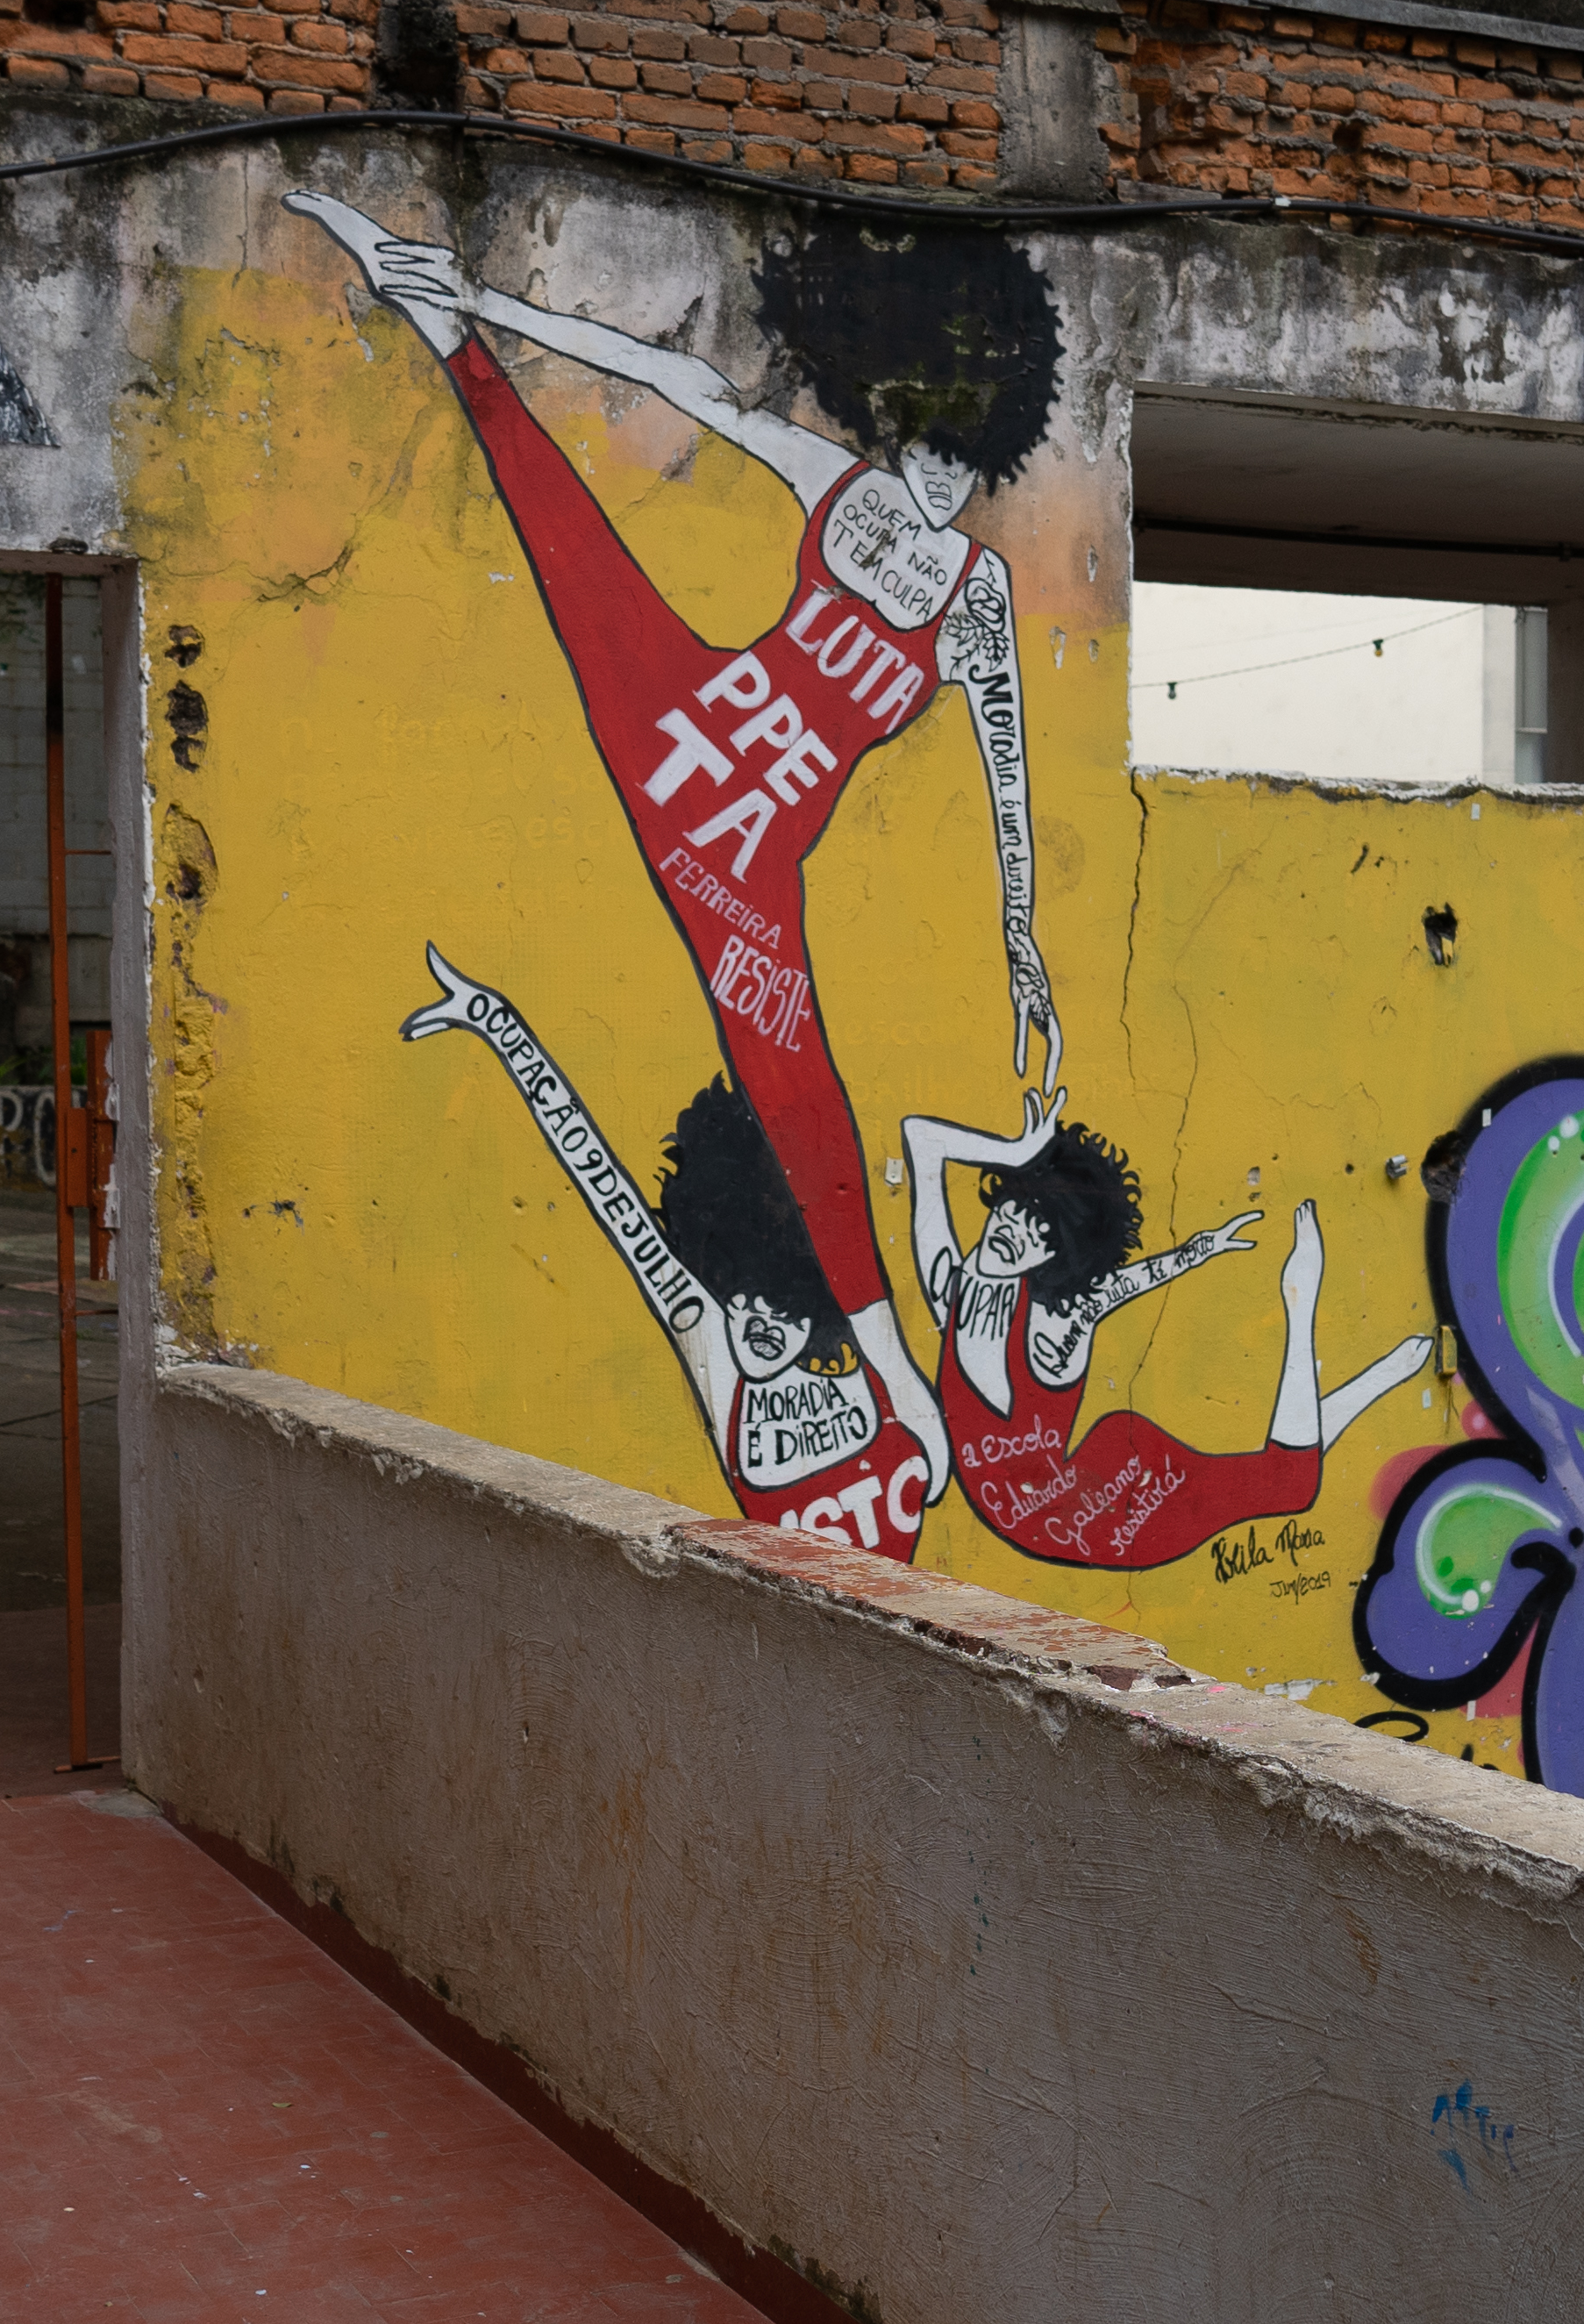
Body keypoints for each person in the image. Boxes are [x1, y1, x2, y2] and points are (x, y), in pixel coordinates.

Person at [289, 187, 1057, 1506]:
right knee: (572, 553)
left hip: (748, 857)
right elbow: (684, 384)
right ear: (897, 427)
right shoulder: (844, 488)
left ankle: (898, 1384)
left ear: (989, 459)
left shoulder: (978, 605)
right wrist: (491, 299)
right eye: (925, 447)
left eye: (960, 462)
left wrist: (1023, 942)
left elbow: (1010, 780)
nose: (937, 478)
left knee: (802, 1093)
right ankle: (443, 321)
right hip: (685, 734)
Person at [403, 947, 945, 1553]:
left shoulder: (877, 1363)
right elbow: (608, 1190)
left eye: (789, 1310)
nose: (765, 1320)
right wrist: (501, 1026)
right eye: (746, 1295)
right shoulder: (715, 1354)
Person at [902, 1098, 1430, 1569]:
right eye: (1020, 1208)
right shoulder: (949, 1286)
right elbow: (921, 1138)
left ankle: (1301, 1301)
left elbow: (1117, 1287)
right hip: (1077, 1516)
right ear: (1004, 1194)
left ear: (1056, 1258)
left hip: (1102, 1508)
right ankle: (1377, 1375)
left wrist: (1197, 1252)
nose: (1017, 1232)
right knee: (1280, 1479)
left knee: (1286, 1484)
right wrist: (1019, 1151)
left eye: (1042, 1233)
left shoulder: (1051, 1327)